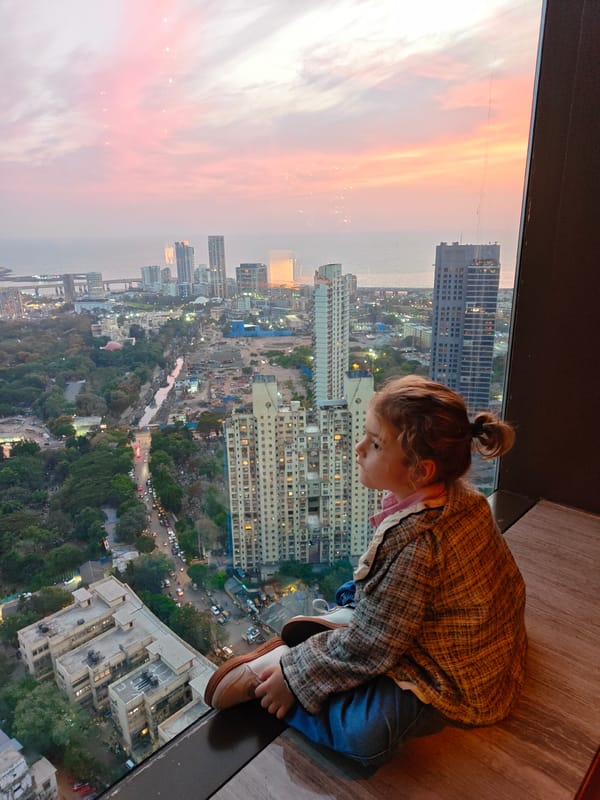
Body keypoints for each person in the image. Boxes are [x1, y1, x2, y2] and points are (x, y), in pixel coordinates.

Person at [204, 376, 527, 768]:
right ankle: (326, 637)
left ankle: (287, 665)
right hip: (434, 638)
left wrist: (295, 680)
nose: (358, 449)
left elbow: (376, 646)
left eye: (374, 444)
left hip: (452, 674)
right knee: (366, 601)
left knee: (365, 736)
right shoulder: (465, 500)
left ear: (421, 471)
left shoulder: (418, 545)